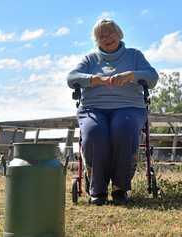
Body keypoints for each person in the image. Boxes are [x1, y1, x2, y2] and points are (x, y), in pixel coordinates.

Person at [67, 19, 159, 205]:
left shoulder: (134, 56)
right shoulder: (89, 59)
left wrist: (131, 75)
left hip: (130, 107)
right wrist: (94, 79)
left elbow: (152, 77)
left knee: (123, 127)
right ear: (97, 40)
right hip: (93, 108)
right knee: (94, 132)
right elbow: (71, 78)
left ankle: (120, 188)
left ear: (119, 34)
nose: (107, 37)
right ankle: (97, 190)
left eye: (110, 33)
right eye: (102, 35)